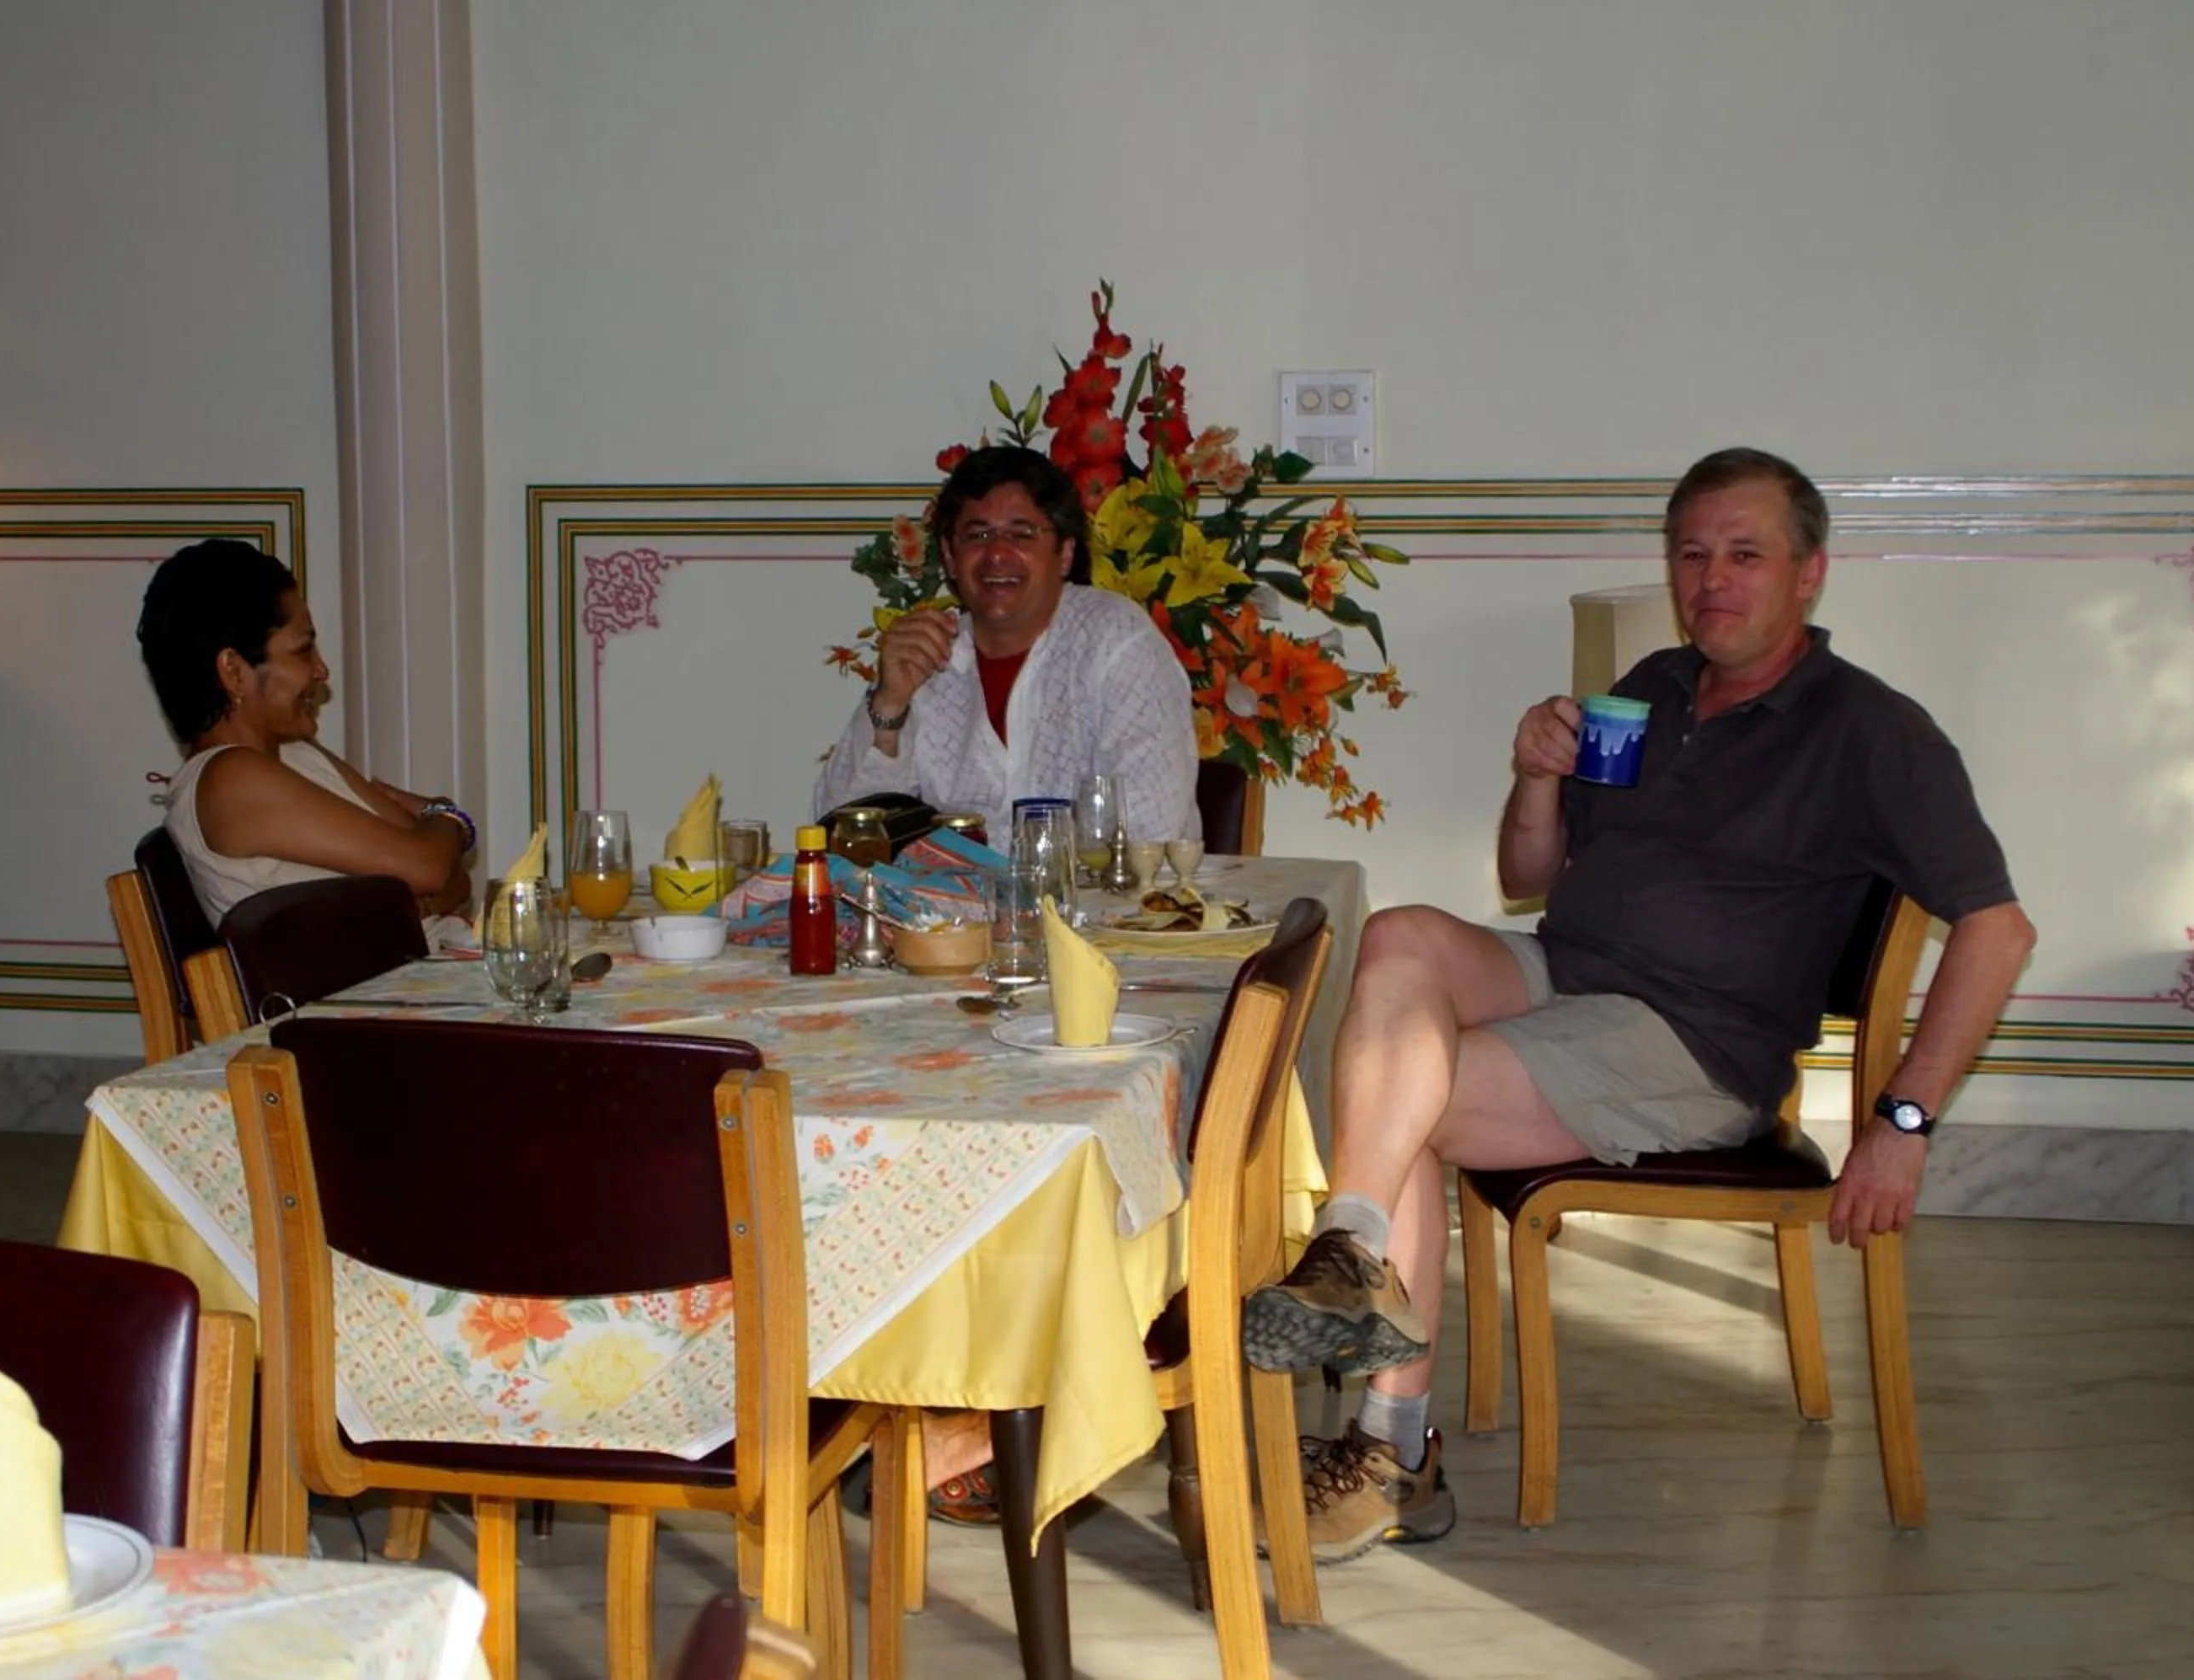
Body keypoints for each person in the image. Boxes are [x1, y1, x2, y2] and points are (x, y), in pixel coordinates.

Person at [1240, 447, 2036, 1562]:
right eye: (1693, 553)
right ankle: (1356, 1250)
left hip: (1694, 1042)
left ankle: (1390, 1440)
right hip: (1574, 970)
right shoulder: (1654, 689)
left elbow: (1998, 930)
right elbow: (1531, 878)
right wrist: (1535, 774)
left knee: (1401, 1094)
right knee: (1403, 937)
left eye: (1744, 554)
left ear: (1809, 573)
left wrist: (1901, 1126)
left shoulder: (1872, 731)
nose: (1712, 577)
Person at [811, 445, 1199, 850]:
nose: (997, 554)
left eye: (1021, 534)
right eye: (978, 535)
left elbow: (1150, 834)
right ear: (949, 555)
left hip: (1110, 911)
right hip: (951, 912)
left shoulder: (1116, 642)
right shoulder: (928, 658)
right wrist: (890, 704)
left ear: (1065, 553)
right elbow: (839, 838)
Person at [137, 539, 475, 934]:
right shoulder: (231, 780)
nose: (321, 670)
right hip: (362, 993)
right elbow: (430, 866)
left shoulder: (295, 755)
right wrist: (448, 813)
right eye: (302, 651)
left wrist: (424, 877)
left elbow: (455, 880)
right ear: (233, 670)